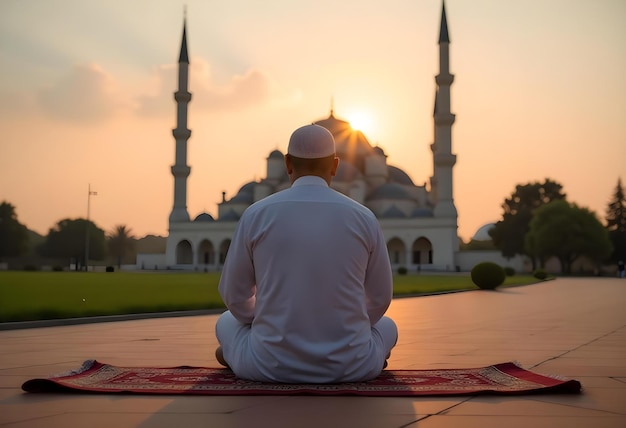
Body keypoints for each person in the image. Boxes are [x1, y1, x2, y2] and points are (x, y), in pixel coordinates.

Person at [215, 124, 398, 383]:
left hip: (268, 366)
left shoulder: (256, 214)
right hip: (352, 366)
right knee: (388, 326)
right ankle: (372, 355)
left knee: (225, 321)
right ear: (335, 165)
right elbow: (380, 298)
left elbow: (233, 295)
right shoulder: (364, 216)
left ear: (287, 164)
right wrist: (347, 325)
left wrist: (265, 318)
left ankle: (235, 354)